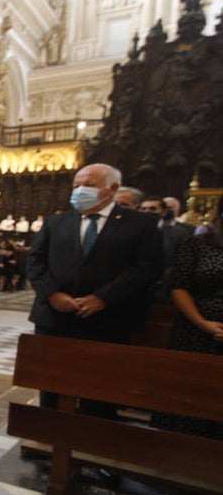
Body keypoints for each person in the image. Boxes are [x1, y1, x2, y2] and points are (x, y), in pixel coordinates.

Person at [25, 164, 163, 414]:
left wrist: (103, 298)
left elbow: (146, 267)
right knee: (51, 383)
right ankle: (47, 437)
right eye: (76, 185)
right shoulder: (57, 221)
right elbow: (35, 260)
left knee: (100, 387)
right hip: (55, 318)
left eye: (88, 185)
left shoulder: (139, 224)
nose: (80, 191)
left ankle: (92, 440)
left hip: (108, 318)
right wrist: (52, 294)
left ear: (112, 189)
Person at [155, 198, 223, 438]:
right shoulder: (198, 244)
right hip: (197, 332)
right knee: (192, 396)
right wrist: (204, 323)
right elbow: (179, 286)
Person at [142, 195, 195, 301]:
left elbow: (183, 262)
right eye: (143, 209)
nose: (147, 212)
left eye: (153, 209)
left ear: (163, 212)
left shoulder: (179, 233)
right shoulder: (131, 232)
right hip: (137, 289)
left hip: (166, 291)